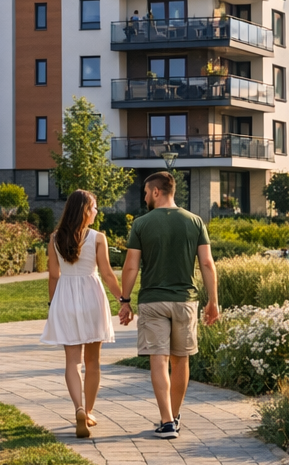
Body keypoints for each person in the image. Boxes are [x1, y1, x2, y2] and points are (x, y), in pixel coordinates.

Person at [118, 171, 219, 440]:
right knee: (181, 359)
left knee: (158, 359)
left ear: (156, 192)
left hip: (153, 301)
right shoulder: (195, 221)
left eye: (145, 192)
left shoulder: (141, 224)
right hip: (185, 301)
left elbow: (131, 265)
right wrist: (213, 301)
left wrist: (125, 300)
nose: (144, 196)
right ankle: (174, 416)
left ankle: (166, 422)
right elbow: (207, 263)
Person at [40, 190, 123, 438]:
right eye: (94, 207)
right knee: (93, 362)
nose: (97, 211)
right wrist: (123, 299)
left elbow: (54, 276)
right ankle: (88, 411)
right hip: (91, 298)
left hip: (65, 297)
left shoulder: (55, 238)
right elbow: (107, 274)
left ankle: (77, 407)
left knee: (72, 361)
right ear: (85, 210)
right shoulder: (98, 238)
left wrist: (53, 305)